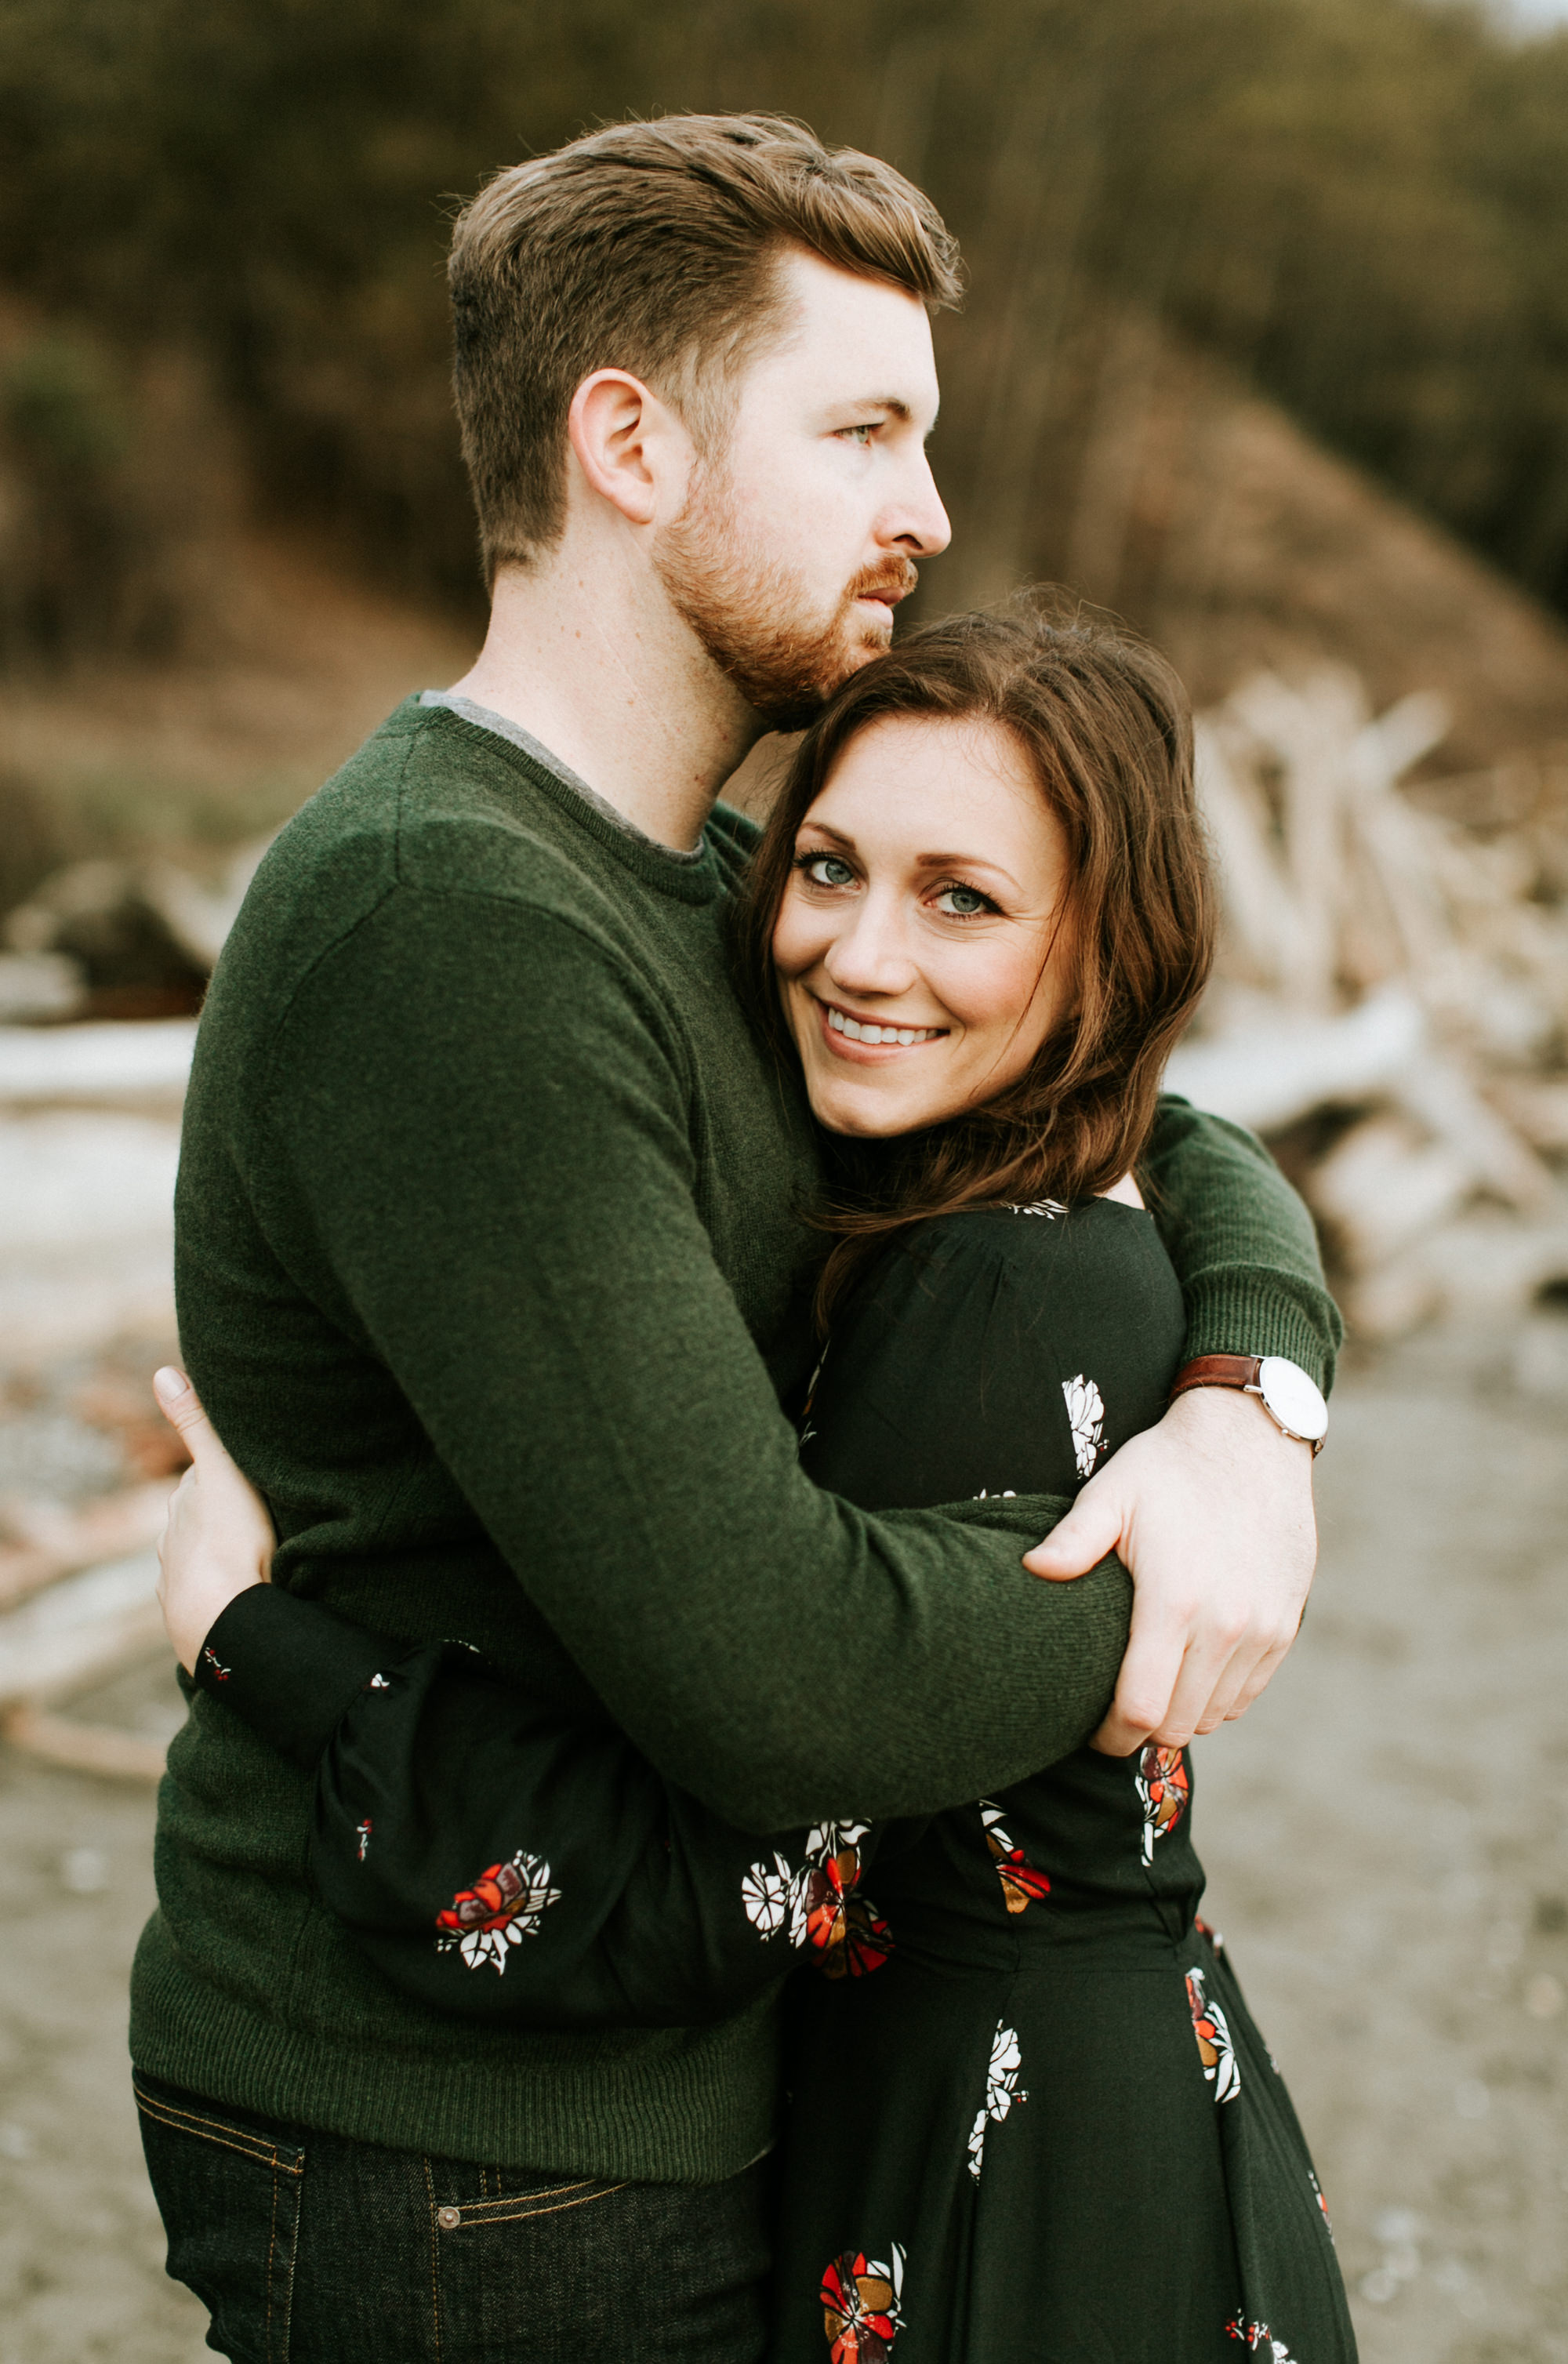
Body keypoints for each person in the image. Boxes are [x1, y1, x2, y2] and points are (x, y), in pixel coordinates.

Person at [133, 115, 1338, 2364]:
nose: (929, 514)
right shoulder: (456, 923)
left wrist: (1251, 1404)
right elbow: (775, 1670)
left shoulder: (698, 887)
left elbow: (1143, 1123)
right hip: (467, 2141)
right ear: (630, 444)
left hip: (642, 2062)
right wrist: (1144, 1597)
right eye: (866, 428)